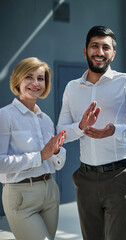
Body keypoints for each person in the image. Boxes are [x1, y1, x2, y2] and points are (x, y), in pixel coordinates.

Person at [57, 25, 126, 240]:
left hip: (121, 176)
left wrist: (114, 131)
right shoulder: (71, 87)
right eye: (95, 46)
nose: (100, 52)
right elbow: (61, 133)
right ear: (85, 50)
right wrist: (80, 127)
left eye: (106, 47)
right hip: (86, 177)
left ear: (113, 53)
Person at [0, 57, 66, 240]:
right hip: (21, 196)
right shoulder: (4, 116)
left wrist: (57, 151)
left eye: (41, 78)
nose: (36, 83)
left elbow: (57, 164)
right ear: (18, 80)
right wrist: (40, 155)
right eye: (29, 77)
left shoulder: (45, 120)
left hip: (50, 191)